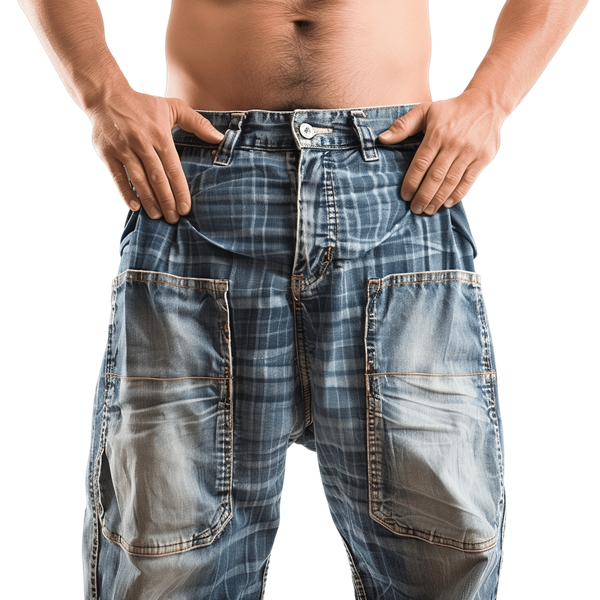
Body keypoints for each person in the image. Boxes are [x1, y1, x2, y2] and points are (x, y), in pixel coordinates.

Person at [18, 1, 587, 598]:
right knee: (166, 555)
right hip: (200, 185)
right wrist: (103, 97)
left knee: (442, 552)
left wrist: (490, 102)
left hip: (399, 184)